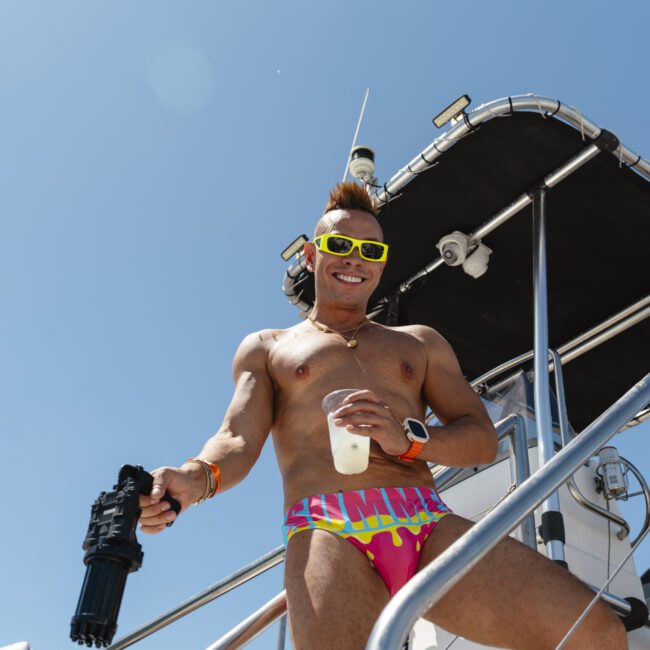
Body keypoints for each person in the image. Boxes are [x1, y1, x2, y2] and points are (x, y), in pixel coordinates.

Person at [139, 182, 626, 649]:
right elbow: (237, 439)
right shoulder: (268, 348)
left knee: (597, 634)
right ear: (312, 255)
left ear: (382, 264)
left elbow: (479, 438)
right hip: (328, 529)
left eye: (371, 251)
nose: (355, 259)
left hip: (426, 522)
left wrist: (409, 440)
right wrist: (194, 477)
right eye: (340, 244)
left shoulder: (420, 343)